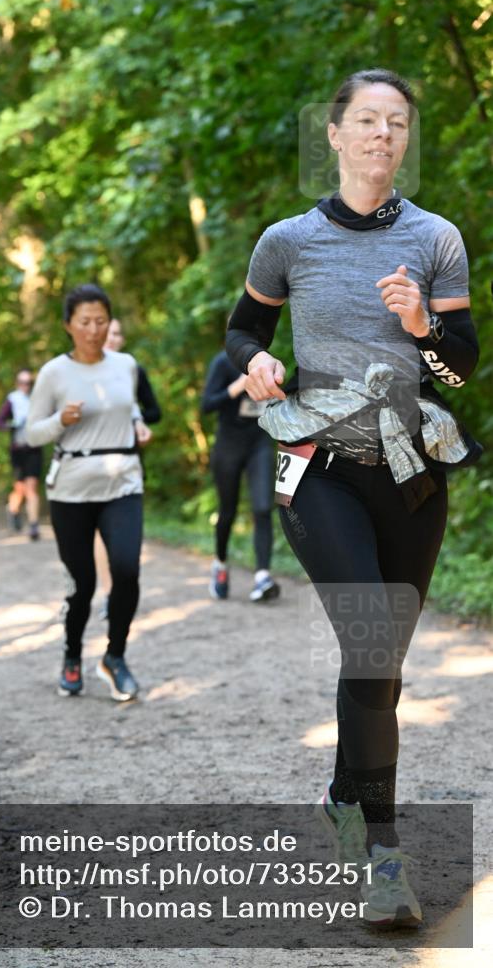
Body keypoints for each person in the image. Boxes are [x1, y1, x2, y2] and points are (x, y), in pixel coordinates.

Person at [225, 69, 480, 927]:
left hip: (411, 476)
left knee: (382, 672)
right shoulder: (287, 242)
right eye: (365, 121)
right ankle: (381, 859)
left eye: (396, 122)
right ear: (332, 135)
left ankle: (343, 797)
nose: (381, 134)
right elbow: (243, 330)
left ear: (406, 138)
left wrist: (422, 329)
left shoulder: (436, 238)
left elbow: (459, 368)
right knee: (371, 646)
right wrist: (254, 366)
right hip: (319, 467)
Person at [26, 284, 151, 701]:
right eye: (85, 322)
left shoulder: (126, 364)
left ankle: (114, 657)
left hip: (123, 481)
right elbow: (30, 433)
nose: (94, 330)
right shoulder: (53, 373)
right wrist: (59, 420)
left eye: (101, 321)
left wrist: (138, 425)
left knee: (127, 570)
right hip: (72, 488)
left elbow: (129, 406)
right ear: (68, 326)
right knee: (82, 584)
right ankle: (72, 655)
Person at [94, 317, 162, 619]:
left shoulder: (134, 371)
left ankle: (121, 586)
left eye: (117, 334)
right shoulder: (83, 372)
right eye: (107, 333)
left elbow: (154, 411)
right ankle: (109, 593)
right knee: (99, 529)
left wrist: (137, 423)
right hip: (93, 461)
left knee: (123, 529)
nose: (112, 338)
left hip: (128, 458)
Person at [201, 349, 280, 602]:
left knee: (263, 508)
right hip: (229, 445)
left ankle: (262, 577)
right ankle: (221, 565)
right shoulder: (222, 362)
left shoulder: (268, 360)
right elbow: (207, 405)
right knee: (228, 511)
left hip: (259, 442)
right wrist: (236, 387)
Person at [0, 369, 42, 541]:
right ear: (17, 383)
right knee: (20, 488)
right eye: (23, 383)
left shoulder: (38, 399)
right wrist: (12, 425)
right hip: (18, 449)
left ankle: (33, 524)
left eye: (29, 383)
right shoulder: (12, 399)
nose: (26, 386)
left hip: (34, 447)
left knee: (32, 486)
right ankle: (13, 509)